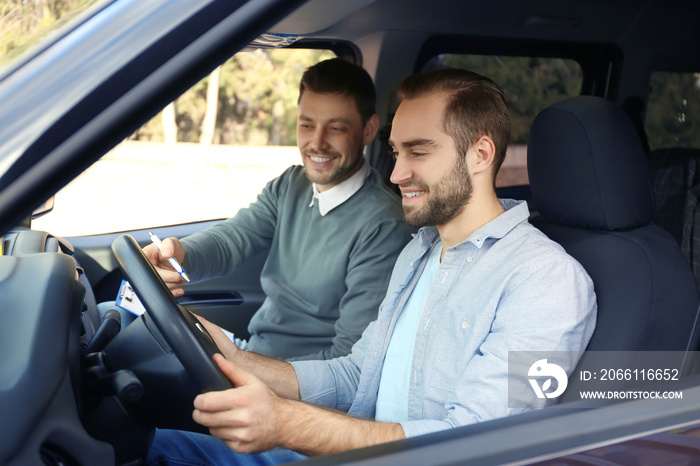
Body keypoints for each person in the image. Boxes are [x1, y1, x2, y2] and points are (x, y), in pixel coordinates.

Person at [145, 68, 597, 465]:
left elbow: (475, 442)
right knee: (138, 445)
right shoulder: (420, 251)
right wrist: (237, 358)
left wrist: (288, 424)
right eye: (397, 152)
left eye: (418, 153)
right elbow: (357, 376)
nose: (397, 173)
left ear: (480, 155)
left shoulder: (547, 282)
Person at [139, 58, 412, 361]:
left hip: (290, 385)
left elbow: (347, 360)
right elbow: (232, 239)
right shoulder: (290, 185)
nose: (317, 143)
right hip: (255, 354)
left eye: (335, 128)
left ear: (369, 130)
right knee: (122, 321)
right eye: (306, 125)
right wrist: (180, 255)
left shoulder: (384, 224)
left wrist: (247, 370)